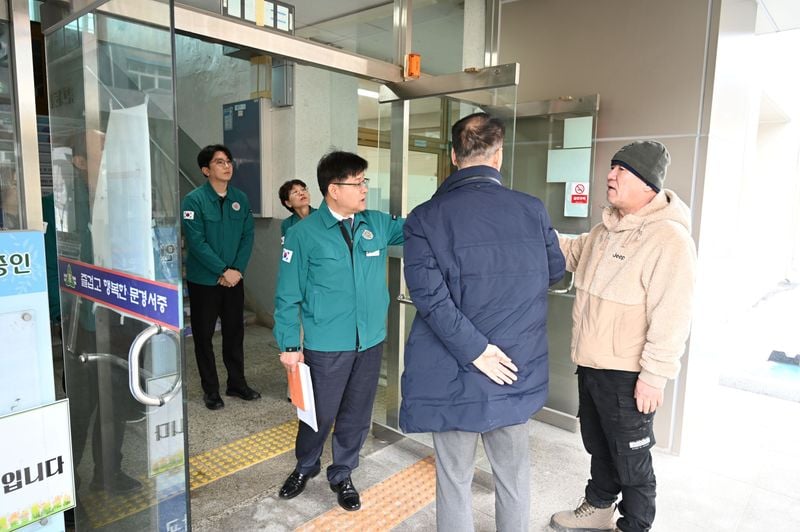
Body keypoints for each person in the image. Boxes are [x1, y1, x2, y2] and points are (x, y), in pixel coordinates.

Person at [399, 112, 565, 531]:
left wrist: (476, 350)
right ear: (499, 155)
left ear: (454, 156)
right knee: (513, 477)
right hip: (513, 366)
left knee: (453, 478)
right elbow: (555, 272)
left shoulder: (424, 217)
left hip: (451, 370)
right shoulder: (531, 210)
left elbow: (430, 299)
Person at [549, 141, 696, 532]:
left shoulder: (669, 239)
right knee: (598, 444)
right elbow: (570, 252)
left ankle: (635, 525)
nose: (610, 175)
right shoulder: (605, 229)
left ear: (648, 184)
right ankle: (598, 506)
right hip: (591, 362)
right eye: (612, 167)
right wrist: (532, 226)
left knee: (632, 458)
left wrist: (654, 376)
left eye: (621, 171)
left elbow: (673, 315)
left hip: (629, 374)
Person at [273, 150, 404, 511]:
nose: (365, 189)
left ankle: (343, 472)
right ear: (333, 189)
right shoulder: (303, 235)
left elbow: (422, 226)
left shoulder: (376, 223)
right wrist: (288, 343)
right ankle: (305, 465)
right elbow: (287, 294)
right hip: (326, 343)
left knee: (357, 413)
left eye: (365, 181)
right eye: (357, 182)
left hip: (370, 340)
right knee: (319, 413)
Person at [181, 144, 259, 410]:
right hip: (205, 281)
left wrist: (236, 270)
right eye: (219, 162)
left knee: (234, 333)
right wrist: (222, 270)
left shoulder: (241, 198)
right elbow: (197, 241)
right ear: (206, 170)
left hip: (234, 279)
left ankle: (236, 383)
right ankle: (211, 390)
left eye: (228, 161)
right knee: (203, 337)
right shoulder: (194, 200)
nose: (227, 166)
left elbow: (248, 236)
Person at [278, 178, 315, 243]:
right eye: (295, 192)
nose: (301, 193)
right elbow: (288, 248)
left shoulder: (321, 215)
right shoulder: (287, 224)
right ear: (288, 203)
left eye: (303, 189)